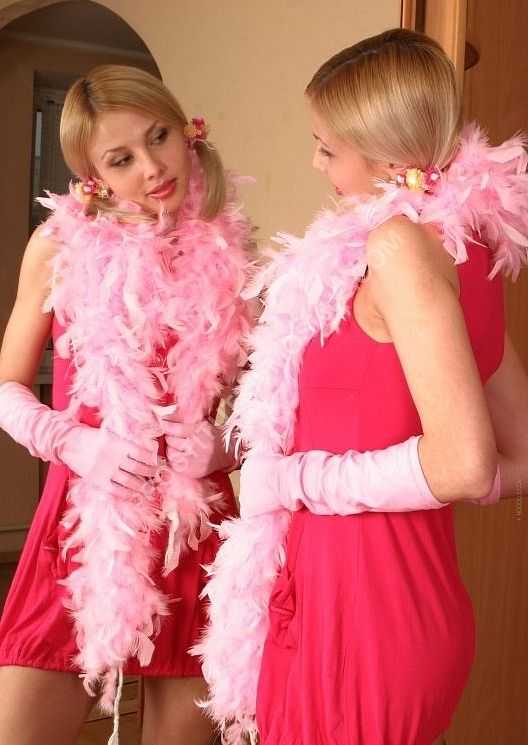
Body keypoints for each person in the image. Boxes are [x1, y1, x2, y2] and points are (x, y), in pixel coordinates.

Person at [195, 29, 528, 745]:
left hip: (362, 616)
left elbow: (467, 466)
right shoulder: (466, 251)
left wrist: (297, 479)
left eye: (327, 147)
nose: (316, 164)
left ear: (387, 155)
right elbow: (520, 456)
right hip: (370, 596)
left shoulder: (398, 248)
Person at [0, 64, 252, 745]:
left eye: (158, 137)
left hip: (193, 528)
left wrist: (227, 445)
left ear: (185, 130)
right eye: (121, 159)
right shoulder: (58, 247)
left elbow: (275, 401)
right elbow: (6, 387)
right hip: (85, 525)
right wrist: (72, 442)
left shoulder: (230, 249)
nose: (152, 167)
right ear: (94, 176)